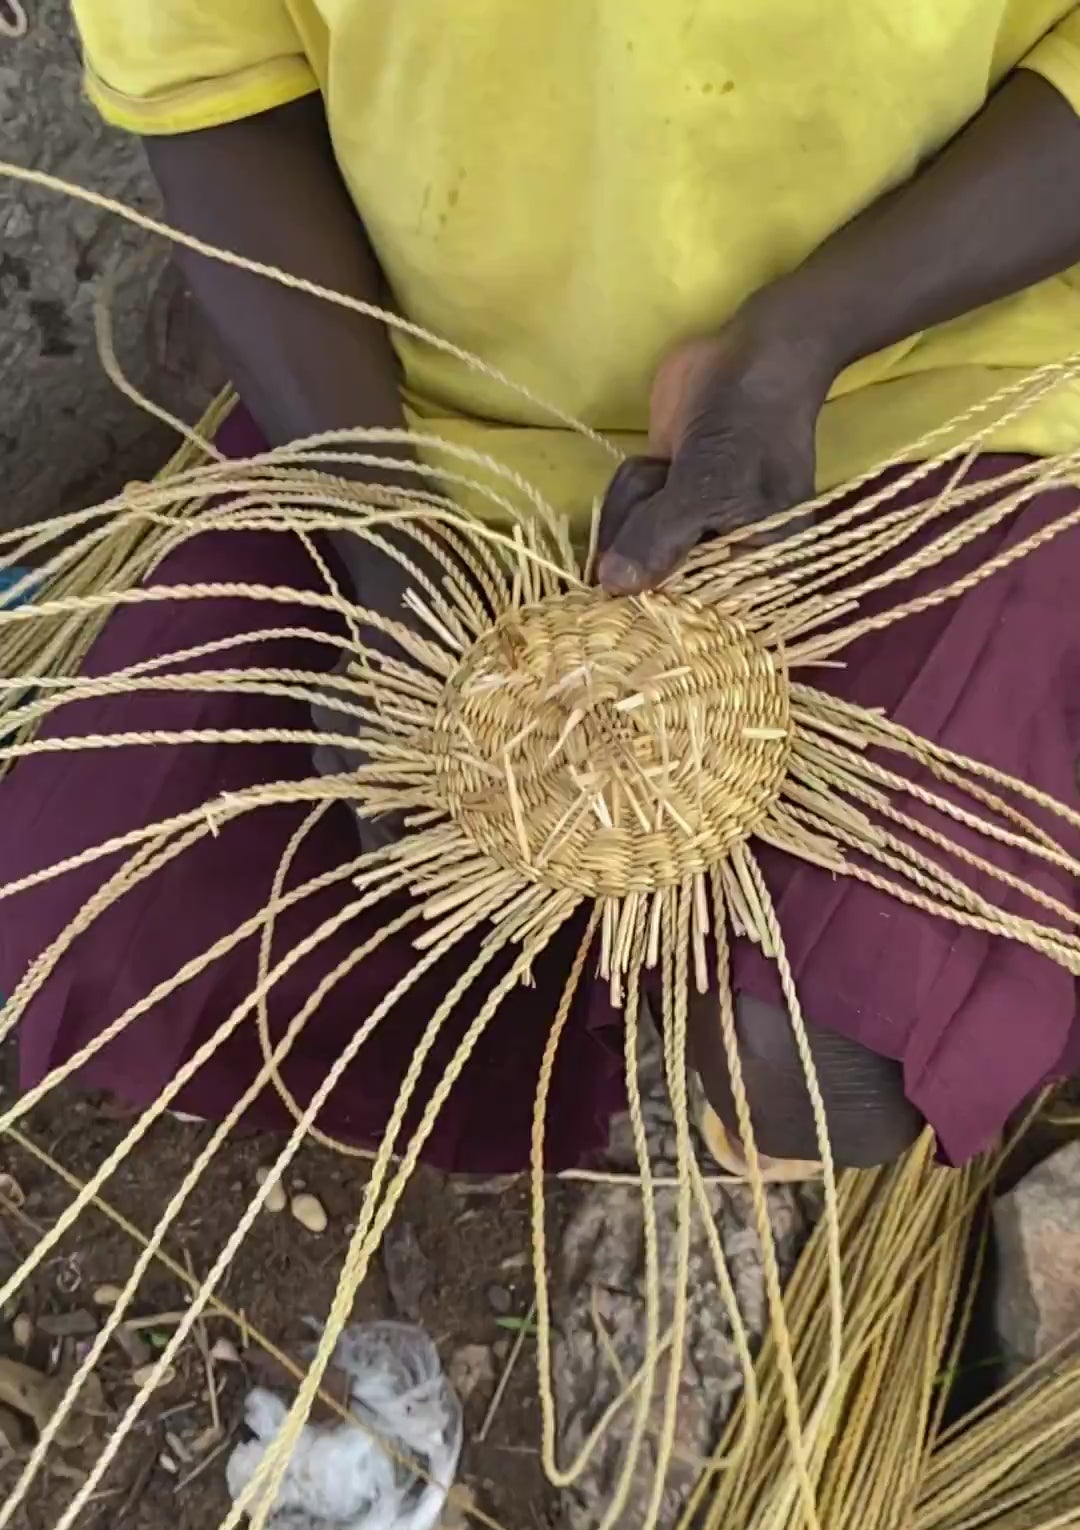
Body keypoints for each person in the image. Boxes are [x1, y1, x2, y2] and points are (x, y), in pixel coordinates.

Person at [2, 1, 1080, 1175]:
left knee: (827, 1068)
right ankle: (594, 1007)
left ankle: (713, 999)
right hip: (437, 415)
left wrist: (805, 340)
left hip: (939, 367)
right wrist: (388, 541)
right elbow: (216, 92)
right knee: (105, 945)